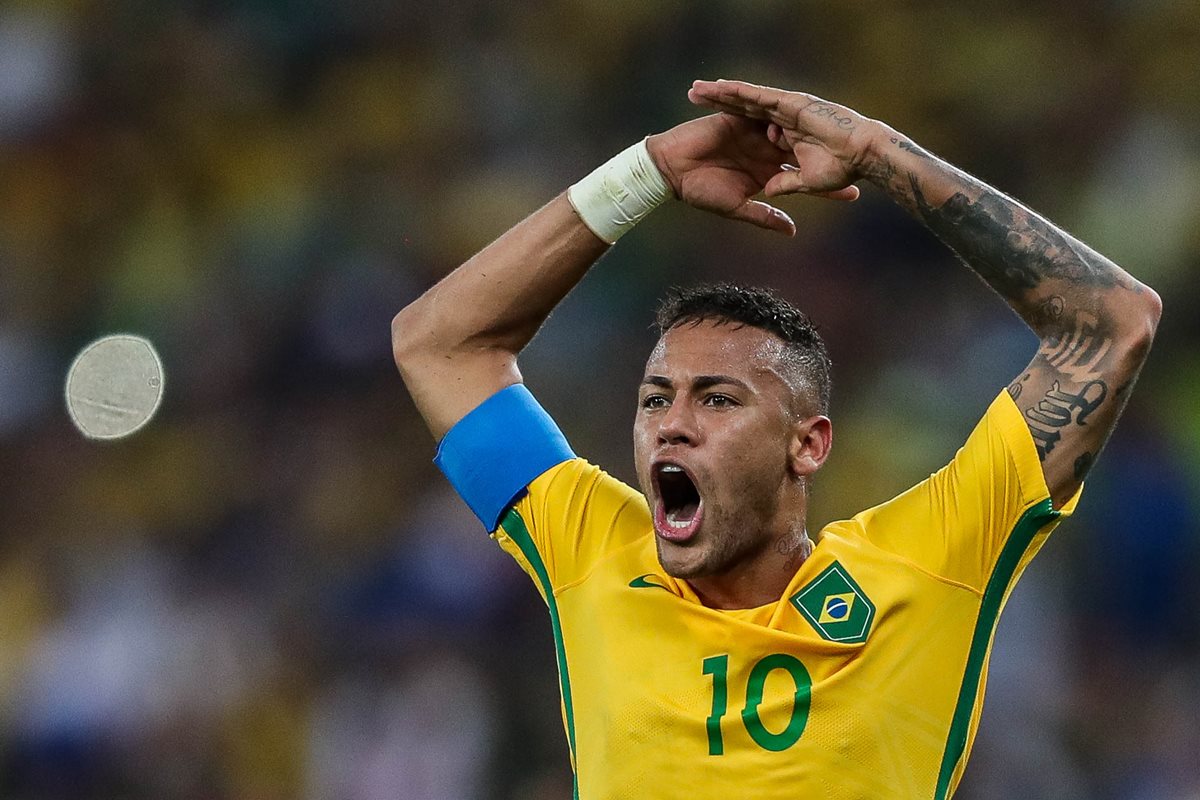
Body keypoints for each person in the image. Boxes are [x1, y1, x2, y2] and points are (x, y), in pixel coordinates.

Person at [391, 79, 1160, 799]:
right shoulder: (593, 551)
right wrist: (646, 172)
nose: (673, 423)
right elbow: (438, 343)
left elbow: (1112, 321)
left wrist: (881, 155)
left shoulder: (924, 568)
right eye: (656, 398)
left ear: (808, 445)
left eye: (718, 399)